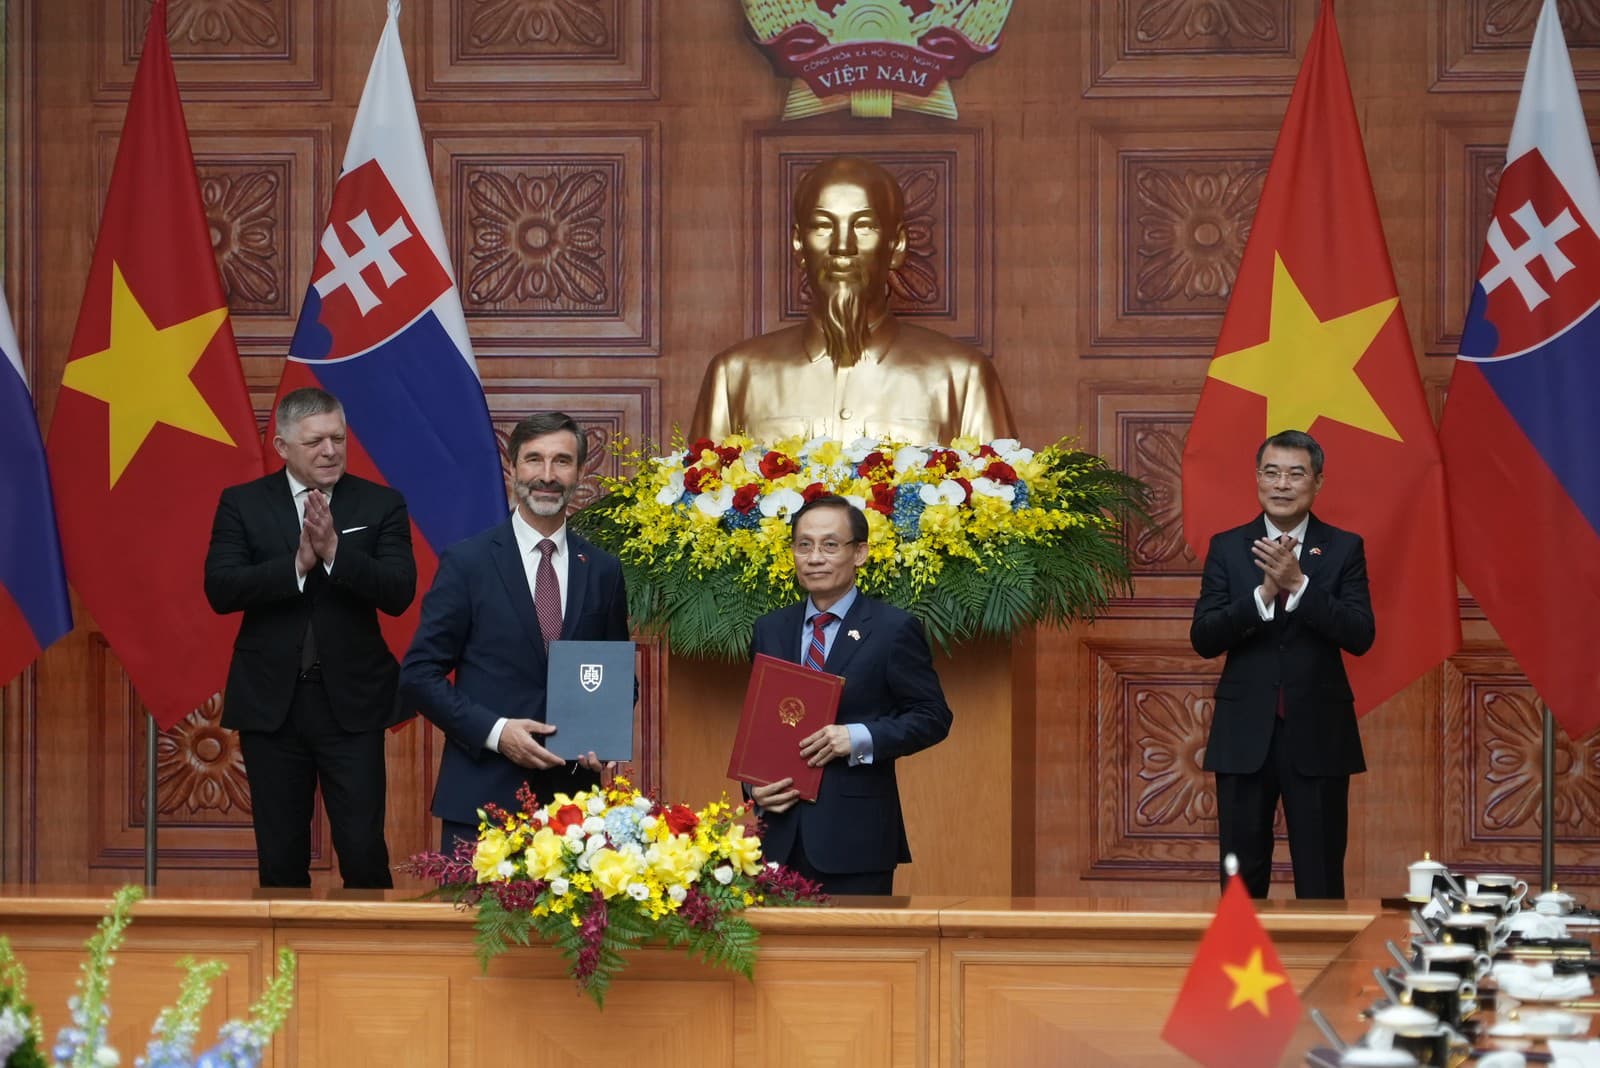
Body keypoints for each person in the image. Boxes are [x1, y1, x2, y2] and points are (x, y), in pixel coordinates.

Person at [204, 386, 416, 888]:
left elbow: (399, 592)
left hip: (352, 703)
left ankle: (366, 962)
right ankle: (284, 966)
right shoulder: (243, 504)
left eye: (338, 439)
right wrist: (297, 564)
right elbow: (220, 588)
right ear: (282, 447)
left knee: (363, 850)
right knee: (280, 853)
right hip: (271, 703)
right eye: (316, 441)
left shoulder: (381, 503)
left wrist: (337, 552)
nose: (330, 451)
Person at [400, 412, 630, 853]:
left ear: (581, 472)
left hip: (575, 810)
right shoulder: (468, 563)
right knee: (477, 927)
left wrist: (603, 732)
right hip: (482, 806)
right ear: (512, 468)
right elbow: (418, 675)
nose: (547, 475)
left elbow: (616, 673)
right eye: (534, 460)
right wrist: (497, 731)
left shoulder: (602, 569)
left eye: (562, 461)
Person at [689, 156, 1014, 444]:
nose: (842, 246)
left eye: (864, 226)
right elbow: (699, 503)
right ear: (799, 244)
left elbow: (1001, 505)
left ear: (897, 244)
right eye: (822, 226)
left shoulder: (961, 377)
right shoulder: (735, 375)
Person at [1190, 429, 1375, 899]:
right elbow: (1204, 638)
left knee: (1320, 876)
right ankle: (1238, 972)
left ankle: (1324, 973)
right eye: (1271, 472)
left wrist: (1301, 588)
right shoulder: (1229, 547)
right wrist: (1262, 596)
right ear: (1257, 478)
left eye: (1295, 474)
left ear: (1317, 483)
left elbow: (1360, 635)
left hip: (1318, 732)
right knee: (1240, 880)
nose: (1282, 484)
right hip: (1243, 734)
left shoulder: (1343, 547)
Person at [747, 494, 953, 896]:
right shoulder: (770, 628)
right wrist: (753, 789)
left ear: (859, 553)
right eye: (803, 545)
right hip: (776, 835)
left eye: (829, 545)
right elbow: (761, 722)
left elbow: (933, 716)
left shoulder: (893, 629)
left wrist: (856, 737)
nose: (814, 557)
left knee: (857, 958)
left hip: (854, 840)